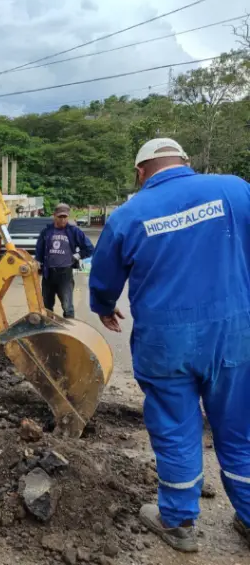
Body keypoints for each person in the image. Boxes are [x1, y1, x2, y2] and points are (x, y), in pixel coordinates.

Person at [89, 137, 250, 553]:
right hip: (234, 334)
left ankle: (178, 522)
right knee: (239, 429)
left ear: (140, 172)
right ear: (186, 162)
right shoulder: (234, 188)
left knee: (177, 430)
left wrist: (104, 306)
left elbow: (104, 276)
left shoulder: (129, 214)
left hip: (166, 343)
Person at [35, 203, 94, 318]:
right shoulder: (46, 232)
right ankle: (48, 331)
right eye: (60, 217)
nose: (62, 220)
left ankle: (70, 331)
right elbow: (39, 250)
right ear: (54, 216)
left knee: (68, 307)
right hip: (48, 274)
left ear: (68, 217)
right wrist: (38, 262)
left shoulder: (74, 231)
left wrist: (77, 256)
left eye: (65, 217)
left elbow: (90, 248)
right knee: (46, 307)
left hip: (65, 274)